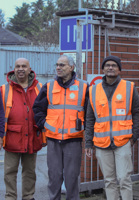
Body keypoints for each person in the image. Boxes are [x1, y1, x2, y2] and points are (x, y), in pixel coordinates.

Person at [85, 55, 139, 200]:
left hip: (123, 141)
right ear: (103, 69)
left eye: (114, 65)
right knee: (109, 180)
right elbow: (90, 118)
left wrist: (134, 137)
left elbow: (138, 112)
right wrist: (88, 142)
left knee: (124, 178)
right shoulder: (93, 90)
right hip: (101, 142)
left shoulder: (129, 87)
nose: (110, 67)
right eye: (107, 65)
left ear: (119, 69)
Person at [33, 54, 89, 200]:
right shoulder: (49, 86)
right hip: (53, 140)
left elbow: (90, 113)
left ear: (72, 67)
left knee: (72, 178)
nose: (58, 67)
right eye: (57, 65)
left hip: (74, 140)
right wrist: (44, 125)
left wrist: (86, 131)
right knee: (54, 177)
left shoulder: (83, 87)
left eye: (62, 65)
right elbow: (38, 109)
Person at [0, 58, 45, 200]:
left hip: (32, 137)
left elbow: (45, 113)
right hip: (12, 138)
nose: (20, 69)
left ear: (29, 69)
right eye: (17, 66)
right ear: (13, 69)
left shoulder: (40, 88)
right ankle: (10, 197)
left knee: (30, 172)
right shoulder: (4, 89)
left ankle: (28, 196)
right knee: (9, 171)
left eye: (24, 66)